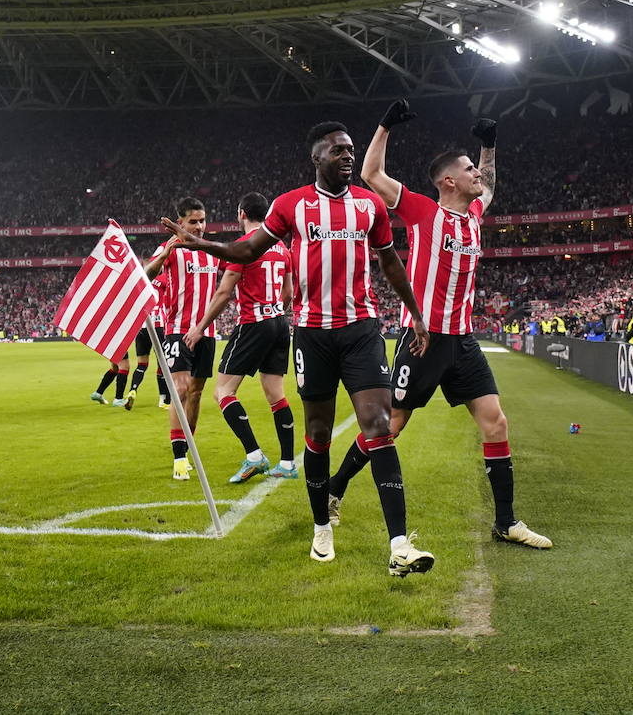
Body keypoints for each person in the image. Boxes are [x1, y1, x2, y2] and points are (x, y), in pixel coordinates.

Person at [161, 121, 436, 576]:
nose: (348, 157)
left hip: (362, 329)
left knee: (378, 424)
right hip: (311, 334)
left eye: (351, 150)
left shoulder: (371, 205)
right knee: (321, 433)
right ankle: (321, 527)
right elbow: (249, 250)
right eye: (338, 151)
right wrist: (203, 243)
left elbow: (390, 263)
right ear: (317, 158)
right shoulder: (292, 205)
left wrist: (417, 315)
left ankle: (400, 544)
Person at [327, 102, 552, 549]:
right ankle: (335, 487)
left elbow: (491, 183)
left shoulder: (472, 215)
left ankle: (505, 522)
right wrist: (385, 125)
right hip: (422, 341)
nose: (478, 175)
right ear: (449, 181)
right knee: (389, 429)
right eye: (469, 169)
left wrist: (488, 145)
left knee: (496, 424)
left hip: (462, 342)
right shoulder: (423, 211)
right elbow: (371, 174)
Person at [184, 192, 297, 483]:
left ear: (241, 214)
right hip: (279, 324)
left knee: (223, 392)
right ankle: (287, 463)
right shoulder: (281, 247)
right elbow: (288, 294)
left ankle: (254, 456)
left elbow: (224, 292)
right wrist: (276, 312)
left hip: (254, 324)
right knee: (276, 395)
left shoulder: (244, 247)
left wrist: (199, 328)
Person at [145, 197, 220, 481]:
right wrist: (164, 256)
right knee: (181, 388)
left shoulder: (211, 250)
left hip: (206, 331)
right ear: (180, 223)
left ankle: (187, 449)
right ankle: (178, 458)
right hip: (177, 330)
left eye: (202, 221)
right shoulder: (170, 248)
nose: (199, 226)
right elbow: (146, 274)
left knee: (197, 392)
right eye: (193, 222)